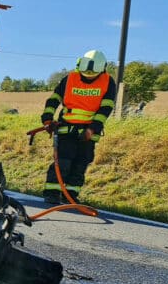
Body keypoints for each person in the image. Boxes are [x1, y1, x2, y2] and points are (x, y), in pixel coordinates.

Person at [40, 49, 117, 205]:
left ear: (102, 69)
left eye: (92, 75)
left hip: (88, 131)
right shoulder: (70, 79)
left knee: (80, 164)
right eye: (85, 74)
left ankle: (71, 195)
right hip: (66, 128)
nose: (87, 77)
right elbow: (54, 99)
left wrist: (92, 128)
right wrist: (47, 119)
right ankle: (52, 193)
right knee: (63, 162)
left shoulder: (108, 82)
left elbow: (105, 109)